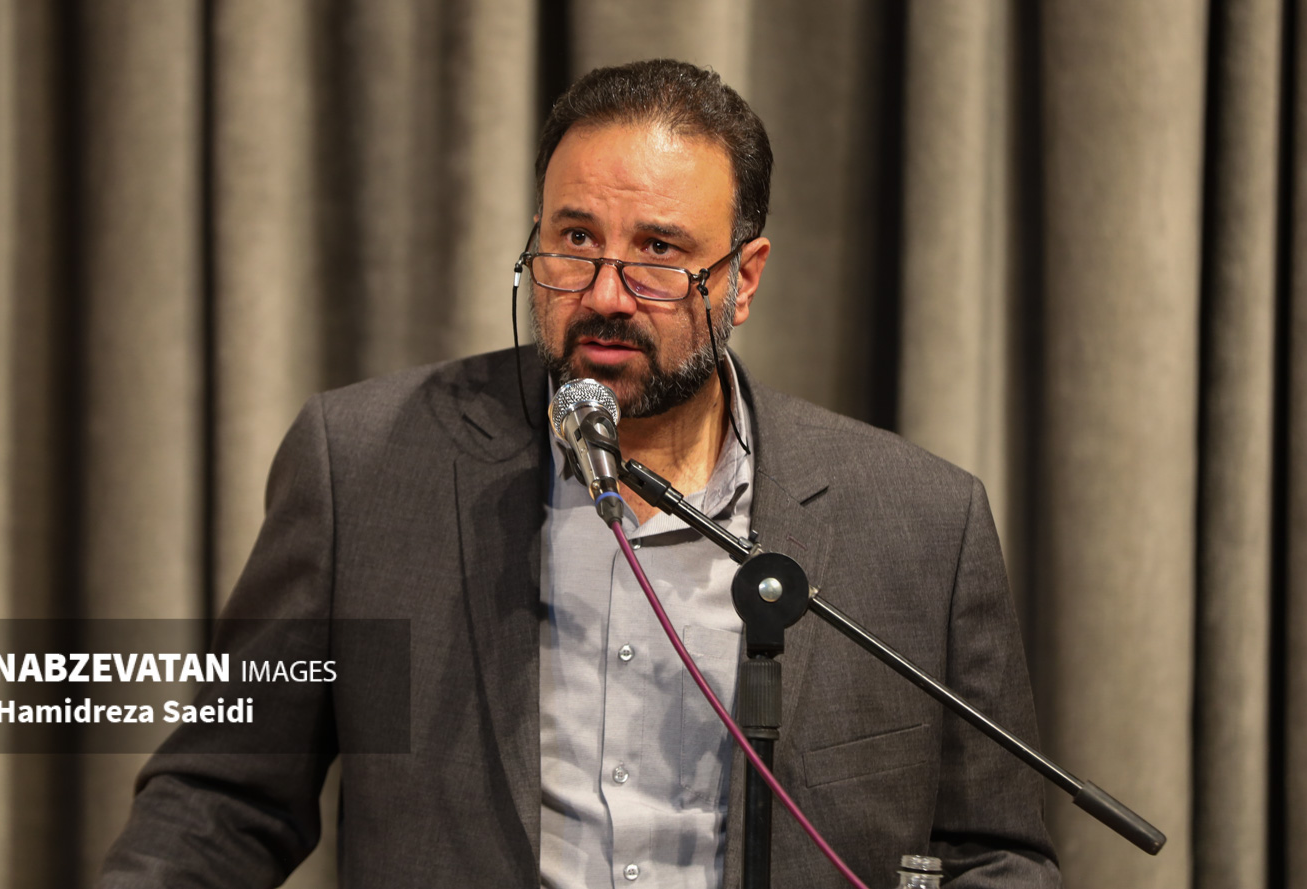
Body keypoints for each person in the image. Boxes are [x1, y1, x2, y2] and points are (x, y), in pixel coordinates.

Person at [101, 59, 1059, 888]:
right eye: (574, 240)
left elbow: (993, 853)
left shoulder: (920, 523)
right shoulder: (364, 470)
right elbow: (225, 796)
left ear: (743, 277)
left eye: (658, 252)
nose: (605, 293)